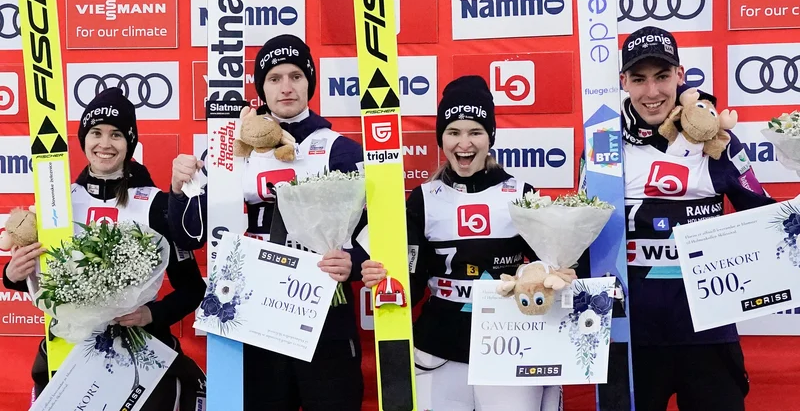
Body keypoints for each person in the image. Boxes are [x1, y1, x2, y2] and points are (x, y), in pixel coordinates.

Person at [168, 34, 367, 411]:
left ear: (310, 81)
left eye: (295, 75)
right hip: (252, 314)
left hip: (321, 312)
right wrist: (179, 190)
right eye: (274, 78)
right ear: (262, 88)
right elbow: (188, 235)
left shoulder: (339, 148)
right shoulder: (229, 148)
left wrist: (353, 261)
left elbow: (379, 228)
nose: (286, 87)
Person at [360, 76, 572, 411]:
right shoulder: (424, 199)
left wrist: (555, 271)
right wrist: (384, 275)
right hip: (441, 347)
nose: (465, 144)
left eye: (475, 132)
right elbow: (410, 285)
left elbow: (557, 269)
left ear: (490, 137)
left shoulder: (520, 194)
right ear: (440, 138)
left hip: (510, 345)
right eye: (454, 132)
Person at [596, 26, 776, 411]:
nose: (652, 92)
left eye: (662, 77)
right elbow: (586, 234)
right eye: (640, 79)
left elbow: (764, 216)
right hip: (632, 336)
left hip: (707, 333)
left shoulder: (715, 140)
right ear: (623, 81)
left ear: (680, 75)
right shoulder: (604, 144)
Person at [3, 87, 208, 410]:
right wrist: (11, 274)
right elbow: (34, 273)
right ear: (84, 138)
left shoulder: (155, 204)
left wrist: (151, 314)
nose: (104, 144)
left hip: (139, 352)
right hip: (70, 352)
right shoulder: (57, 202)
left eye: (116, 135)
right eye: (96, 132)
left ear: (130, 143)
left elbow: (193, 288)